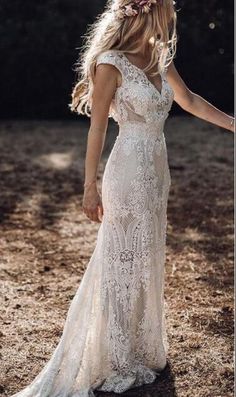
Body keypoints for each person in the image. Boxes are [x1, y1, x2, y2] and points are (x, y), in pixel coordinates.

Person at [12, 0, 234, 396]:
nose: (172, 17)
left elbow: (190, 100)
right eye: (168, 9)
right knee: (121, 257)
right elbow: (97, 129)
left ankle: (141, 346)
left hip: (157, 172)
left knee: (147, 255)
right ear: (150, 12)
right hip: (127, 172)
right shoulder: (110, 64)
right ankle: (115, 354)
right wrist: (89, 186)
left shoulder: (159, 56)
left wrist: (234, 124)